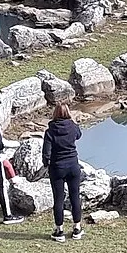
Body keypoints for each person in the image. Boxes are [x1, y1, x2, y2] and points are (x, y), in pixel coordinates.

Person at [43, 101, 84, 241]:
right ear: (68, 113)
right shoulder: (73, 127)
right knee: (75, 197)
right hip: (73, 166)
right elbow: (79, 135)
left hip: (57, 168)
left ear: (55, 113)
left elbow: (46, 153)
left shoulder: (50, 131)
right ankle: (77, 228)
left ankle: (59, 231)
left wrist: (46, 164)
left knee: (58, 200)